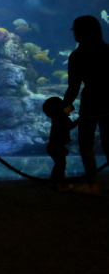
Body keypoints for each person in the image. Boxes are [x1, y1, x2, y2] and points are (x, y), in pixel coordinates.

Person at [63, 14, 109, 195]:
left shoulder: (77, 55)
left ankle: (93, 185)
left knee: (86, 145)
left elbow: (73, 87)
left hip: (90, 103)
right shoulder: (107, 50)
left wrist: (63, 108)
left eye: (74, 30)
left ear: (80, 33)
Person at [42, 96, 78, 191]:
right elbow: (70, 125)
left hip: (53, 146)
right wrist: (81, 119)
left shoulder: (56, 117)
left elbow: (62, 115)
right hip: (57, 146)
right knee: (60, 165)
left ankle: (54, 182)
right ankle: (59, 184)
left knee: (59, 164)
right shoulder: (61, 117)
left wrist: (68, 111)